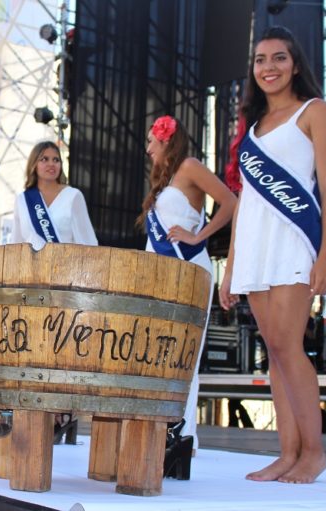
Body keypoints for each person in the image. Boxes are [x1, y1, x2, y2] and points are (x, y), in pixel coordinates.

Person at [219, 26, 326, 484]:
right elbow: (244, 203)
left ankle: (313, 452)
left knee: (288, 346)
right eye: (260, 60)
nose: (268, 67)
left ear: (295, 64)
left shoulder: (315, 112)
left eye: (278, 58)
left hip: (294, 240)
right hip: (255, 245)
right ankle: (287, 453)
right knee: (273, 351)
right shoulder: (252, 128)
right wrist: (231, 268)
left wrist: (325, 255)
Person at [139, 115, 236, 455]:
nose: (148, 148)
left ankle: (184, 437)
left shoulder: (191, 166)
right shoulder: (163, 182)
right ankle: (163, 429)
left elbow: (230, 203)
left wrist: (199, 235)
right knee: (160, 351)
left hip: (188, 266)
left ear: (167, 140)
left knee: (186, 355)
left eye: (152, 140)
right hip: (161, 272)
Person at [10, 141, 98, 249]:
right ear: (34, 165)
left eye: (56, 160)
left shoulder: (73, 196)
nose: (51, 164)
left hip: (64, 264)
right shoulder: (22, 200)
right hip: (30, 265)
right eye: (44, 159)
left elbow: (88, 243)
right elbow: (15, 244)